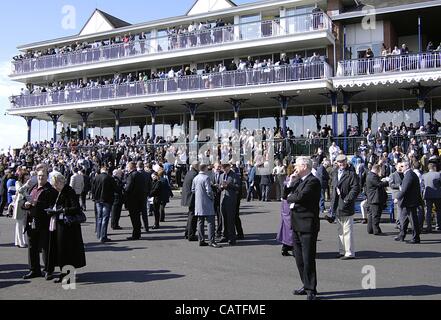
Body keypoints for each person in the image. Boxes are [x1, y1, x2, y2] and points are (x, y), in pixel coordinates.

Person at [285, 157, 321, 301]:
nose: (295, 168)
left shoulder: (313, 181)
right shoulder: (298, 181)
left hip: (307, 225)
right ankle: (305, 285)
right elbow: (285, 196)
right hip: (296, 224)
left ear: (305, 166)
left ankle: (311, 289)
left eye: (297, 166)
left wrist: (291, 196)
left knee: (308, 259)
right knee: (299, 258)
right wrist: (290, 183)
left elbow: (300, 197)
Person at [47, 172, 86, 283]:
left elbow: (76, 207)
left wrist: (63, 210)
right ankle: (64, 274)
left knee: (67, 251)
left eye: (55, 184)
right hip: (60, 224)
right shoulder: (60, 191)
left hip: (68, 226)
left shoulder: (69, 191)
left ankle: (67, 276)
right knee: (61, 251)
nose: (55, 187)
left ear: (60, 182)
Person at [23, 170, 58, 280]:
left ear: (47, 177)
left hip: (44, 222)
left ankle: (48, 270)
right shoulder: (32, 188)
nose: (40, 178)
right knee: (32, 247)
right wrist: (25, 205)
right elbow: (25, 201)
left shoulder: (51, 190)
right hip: (31, 221)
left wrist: (36, 204)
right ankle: (34, 270)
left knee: (45, 248)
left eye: (43, 176)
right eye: (39, 176)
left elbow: (53, 206)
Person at [330, 155, 360, 259]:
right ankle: (342, 250)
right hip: (337, 205)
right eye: (339, 162)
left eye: (343, 161)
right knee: (340, 230)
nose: (341, 163)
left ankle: (349, 252)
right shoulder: (334, 173)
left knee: (347, 230)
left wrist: (347, 199)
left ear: (346, 162)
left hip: (346, 204)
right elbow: (333, 188)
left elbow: (356, 189)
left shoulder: (351, 174)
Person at [191, 164, 221, 248]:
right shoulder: (206, 178)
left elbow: (192, 190)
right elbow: (208, 191)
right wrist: (212, 197)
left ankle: (201, 240)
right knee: (210, 222)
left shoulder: (195, 178)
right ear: (204, 169)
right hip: (207, 203)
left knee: (200, 222)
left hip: (198, 203)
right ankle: (212, 241)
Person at [395, 161, 422, 243]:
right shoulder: (409, 174)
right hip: (409, 201)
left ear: (406, 166)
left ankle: (416, 238)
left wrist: (397, 198)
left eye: (402, 166)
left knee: (413, 221)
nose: (400, 168)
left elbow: (404, 189)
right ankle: (402, 235)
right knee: (404, 219)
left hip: (410, 202)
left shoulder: (409, 175)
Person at [218, 163, 240, 245]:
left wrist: (229, 185)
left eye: (226, 169)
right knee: (223, 218)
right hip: (223, 199)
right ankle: (224, 236)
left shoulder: (234, 175)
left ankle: (232, 238)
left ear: (228, 167)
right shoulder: (221, 176)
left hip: (231, 199)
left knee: (230, 219)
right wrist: (220, 187)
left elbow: (237, 187)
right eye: (223, 169)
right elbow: (219, 186)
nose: (224, 170)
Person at [91, 166, 115, 243]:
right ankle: (103, 236)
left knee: (99, 217)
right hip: (107, 200)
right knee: (105, 218)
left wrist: (94, 197)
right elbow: (114, 188)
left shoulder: (96, 177)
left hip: (98, 199)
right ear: (107, 171)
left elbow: (93, 189)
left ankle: (99, 234)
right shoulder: (110, 178)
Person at [365, 164, 389, 235]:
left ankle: (370, 229)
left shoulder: (370, 175)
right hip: (375, 199)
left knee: (371, 215)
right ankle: (376, 230)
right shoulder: (372, 176)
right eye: (380, 170)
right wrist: (387, 182)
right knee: (376, 215)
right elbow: (378, 184)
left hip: (372, 198)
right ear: (377, 169)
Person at [277, 164, 294, 256]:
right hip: (290, 204)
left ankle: (285, 246)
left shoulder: (287, 179)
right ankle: (291, 245)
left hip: (285, 204)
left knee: (285, 226)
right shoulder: (292, 180)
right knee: (291, 226)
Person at [124, 162, 145, 239]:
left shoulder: (132, 175)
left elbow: (128, 188)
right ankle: (137, 233)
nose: (127, 168)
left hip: (132, 199)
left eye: (127, 167)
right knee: (137, 217)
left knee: (134, 218)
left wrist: (124, 192)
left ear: (131, 167)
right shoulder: (140, 174)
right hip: (140, 198)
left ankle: (135, 235)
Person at [13, 170, 31, 248]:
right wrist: (26, 185)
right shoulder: (18, 182)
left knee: (24, 224)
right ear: (22, 176)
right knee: (19, 224)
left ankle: (23, 241)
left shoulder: (28, 183)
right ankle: (20, 242)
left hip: (26, 205)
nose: (27, 177)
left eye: (28, 176)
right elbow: (19, 190)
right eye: (26, 176)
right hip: (19, 205)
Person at [421, 163, 441, 232]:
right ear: (434, 167)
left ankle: (428, 226)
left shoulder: (424, 175)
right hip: (437, 195)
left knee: (428, 211)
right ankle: (438, 225)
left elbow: (422, 186)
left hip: (428, 195)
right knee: (438, 211)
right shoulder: (438, 174)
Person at [182, 161, 199, 241]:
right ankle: (191, 235)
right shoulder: (195, 174)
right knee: (193, 217)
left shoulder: (189, 173)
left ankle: (187, 233)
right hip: (192, 198)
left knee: (190, 216)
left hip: (188, 197)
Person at [137, 161, 152, 232]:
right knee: (144, 212)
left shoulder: (135, 174)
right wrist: (148, 193)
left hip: (136, 195)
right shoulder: (147, 174)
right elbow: (150, 184)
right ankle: (146, 227)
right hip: (144, 194)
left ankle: (138, 226)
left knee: (136, 212)